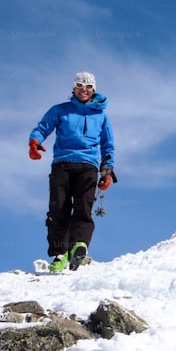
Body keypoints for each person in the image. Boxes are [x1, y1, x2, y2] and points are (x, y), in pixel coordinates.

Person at [29, 71, 116, 272]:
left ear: (93, 90)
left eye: (87, 86)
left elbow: (108, 145)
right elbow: (42, 127)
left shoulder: (101, 116)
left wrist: (107, 169)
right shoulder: (60, 110)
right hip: (62, 164)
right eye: (79, 85)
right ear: (74, 88)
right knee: (58, 209)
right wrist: (35, 142)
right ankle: (60, 254)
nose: (83, 89)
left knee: (83, 207)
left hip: (88, 166)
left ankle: (79, 246)